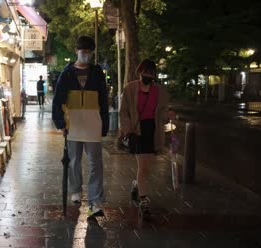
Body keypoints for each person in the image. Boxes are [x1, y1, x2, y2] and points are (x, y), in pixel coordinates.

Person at [52, 35, 109, 217]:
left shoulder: (97, 72)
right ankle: (76, 190)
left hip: (93, 124)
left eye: (89, 52)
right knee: (73, 161)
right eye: (83, 52)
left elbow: (104, 100)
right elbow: (57, 100)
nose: (86, 55)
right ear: (76, 51)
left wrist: (105, 124)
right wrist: (60, 122)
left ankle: (95, 201)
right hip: (73, 124)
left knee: (96, 164)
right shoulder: (67, 73)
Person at [119, 59, 171, 220]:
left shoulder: (159, 92)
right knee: (144, 168)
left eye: (150, 72)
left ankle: (136, 185)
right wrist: (127, 130)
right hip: (137, 130)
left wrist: (168, 117)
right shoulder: (130, 89)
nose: (147, 75)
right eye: (144, 72)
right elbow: (124, 112)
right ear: (139, 72)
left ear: (154, 74)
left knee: (146, 168)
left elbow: (162, 113)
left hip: (153, 131)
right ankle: (144, 200)